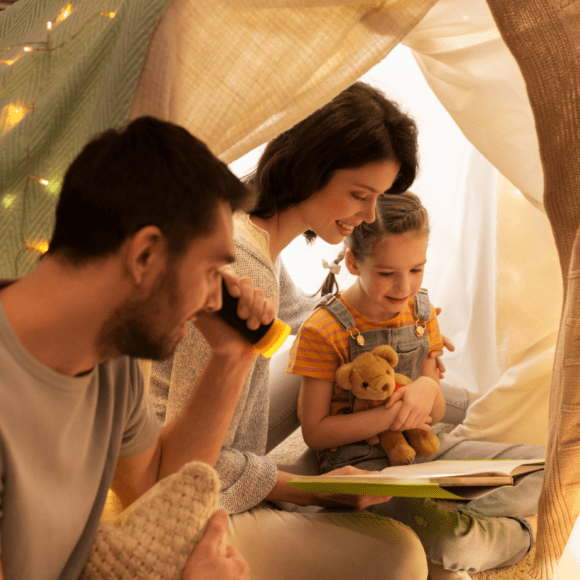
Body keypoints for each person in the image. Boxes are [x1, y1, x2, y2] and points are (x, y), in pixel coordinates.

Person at [150, 82, 431, 579]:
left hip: (206, 452)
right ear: (310, 168)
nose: (368, 216)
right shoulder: (245, 263)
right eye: (360, 196)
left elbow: (301, 317)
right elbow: (190, 469)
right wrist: (309, 489)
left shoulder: (241, 222)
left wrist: (406, 343)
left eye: (378, 198)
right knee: (402, 556)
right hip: (173, 505)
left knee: (344, 367)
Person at [0, 116, 281, 580]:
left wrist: (233, 356)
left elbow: (156, 485)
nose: (216, 300)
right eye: (212, 271)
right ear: (146, 254)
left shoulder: (110, 360)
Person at [287, 191, 545, 577]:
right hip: (364, 471)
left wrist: (428, 389)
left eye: (416, 270)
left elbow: (434, 414)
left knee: (551, 466)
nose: (403, 287)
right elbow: (316, 433)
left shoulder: (421, 310)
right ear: (354, 262)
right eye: (388, 273)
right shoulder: (322, 330)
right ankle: (522, 533)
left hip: (426, 450)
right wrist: (391, 417)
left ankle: (458, 503)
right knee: (451, 542)